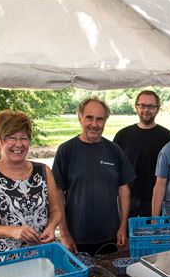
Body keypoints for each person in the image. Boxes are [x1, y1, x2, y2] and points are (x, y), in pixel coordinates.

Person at [52, 97, 136, 254]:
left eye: (100, 119)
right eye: (89, 118)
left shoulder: (114, 150)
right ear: (80, 118)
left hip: (110, 236)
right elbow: (57, 194)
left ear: (105, 121)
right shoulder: (66, 151)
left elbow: (124, 190)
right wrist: (64, 233)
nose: (94, 124)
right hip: (76, 238)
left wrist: (123, 227)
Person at [0, 110, 62, 252]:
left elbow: (56, 210)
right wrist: (11, 231)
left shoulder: (44, 171)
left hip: (45, 253)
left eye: (24, 138)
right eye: (12, 138)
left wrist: (51, 227)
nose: (19, 144)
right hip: (8, 260)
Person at [114, 90, 170, 217]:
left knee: (154, 235)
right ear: (136, 107)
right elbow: (115, 169)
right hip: (128, 198)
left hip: (157, 199)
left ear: (157, 109)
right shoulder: (123, 135)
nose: (146, 110)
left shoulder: (167, 136)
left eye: (151, 106)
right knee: (127, 235)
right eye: (142, 105)